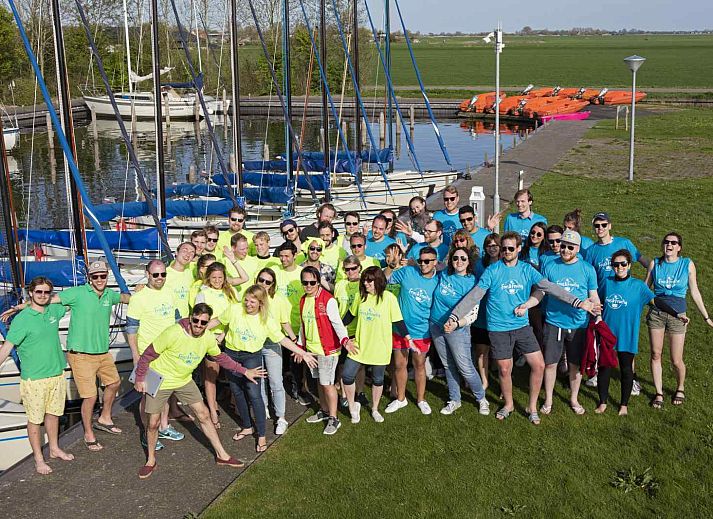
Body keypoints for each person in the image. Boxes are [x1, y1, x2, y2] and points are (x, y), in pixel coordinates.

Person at [445, 231, 597, 425]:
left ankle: (532, 407)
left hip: (522, 326)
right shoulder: (493, 270)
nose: (507, 251)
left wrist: (578, 302)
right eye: (504, 248)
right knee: (504, 369)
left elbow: (550, 287)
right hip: (498, 328)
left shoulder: (527, 269)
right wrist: (455, 316)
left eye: (511, 248)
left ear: (518, 249)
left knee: (539, 365)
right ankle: (508, 405)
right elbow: (475, 295)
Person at [133, 303, 266, 478]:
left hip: (184, 380)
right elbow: (148, 355)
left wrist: (244, 371)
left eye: (203, 322)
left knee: (203, 414)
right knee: (152, 423)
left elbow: (221, 358)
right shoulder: (173, 332)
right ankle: (151, 461)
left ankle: (222, 455)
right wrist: (140, 378)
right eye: (195, 320)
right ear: (190, 318)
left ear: (208, 323)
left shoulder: (208, 338)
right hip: (161, 380)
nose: (198, 325)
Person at [208, 285, 315, 451]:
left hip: (251, 357)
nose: (248, 304)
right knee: (237, 391)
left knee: (254, 393)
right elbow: (217, 321)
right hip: (231, 354)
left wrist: (303, 353)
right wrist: (197, 327)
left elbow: (282, 339)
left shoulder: (267, 320)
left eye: (253, 301)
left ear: (261, 303)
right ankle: (247, 426)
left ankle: (262, 435)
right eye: (246, 300)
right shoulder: (235, 309)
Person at [0, 277, 74, 475]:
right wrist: (19, 310)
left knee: (54, 414)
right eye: (38, 292)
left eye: (46, 292)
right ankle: (39, 459)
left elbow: (72, 298)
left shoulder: (53, 310)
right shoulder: (22, 320)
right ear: (31, 293)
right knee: (34, 420)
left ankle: (54, 448)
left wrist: (17, 306)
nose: (42, 295)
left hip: (56, 373)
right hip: (35, 379)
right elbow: (6, 348)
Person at [595, 250, 683, 416]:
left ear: (629, 265)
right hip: (607, 335)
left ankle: (623, 405)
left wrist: (676, 314)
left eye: (623, 264)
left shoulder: (638, 287)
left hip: (627, 334)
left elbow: (656, 302)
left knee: (626, 370)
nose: (619, 267)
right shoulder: (606, 283)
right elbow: (596, 300)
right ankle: (603, 402)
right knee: (604, 368)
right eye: (615, 264)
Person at [646, 232, 713, 408]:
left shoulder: (687, 264)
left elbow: (695, 291)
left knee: (676, 359)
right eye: (666, 242)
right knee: (655, 354)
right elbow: (644, 290)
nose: (669, 245)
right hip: (656, 314)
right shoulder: (655, 264)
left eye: (673, 243)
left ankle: (680, 387)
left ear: (679, 247)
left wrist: (706, 316)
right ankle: (659, 393)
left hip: (679, 316)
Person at [538, 231, 599, 415]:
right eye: (563, 245)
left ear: (578, 249)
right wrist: (529, 303)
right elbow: (541, 291)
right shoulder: (550, 266)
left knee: (575, 364)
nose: (565, 249)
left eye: (570, 247)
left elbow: (593, 295)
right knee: (550, 363)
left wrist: (597, 313)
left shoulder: (587, 269)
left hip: (578, 324)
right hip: (554, 322)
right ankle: (548, 400)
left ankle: (574, 398)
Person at [127, 260, 182, 449]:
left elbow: (177, 320)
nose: (160, 278)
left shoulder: (170, 292)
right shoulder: (138, 298)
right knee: (148, 396)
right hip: (148, 355)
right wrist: (136, 355)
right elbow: (131, 329)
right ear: (147, 274)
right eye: (155, 274)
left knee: (165, 393)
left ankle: (164, 426)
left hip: (169, 353)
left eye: (163, 274)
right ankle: (147, 432)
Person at [343, 267, 407, 423]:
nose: (366, 283)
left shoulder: (389, 298)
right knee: (347, 375)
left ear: (378, 280)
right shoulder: (360, 296)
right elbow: (348, 318)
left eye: (369, 280)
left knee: (378, 380)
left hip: (380, 348)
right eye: (364, 280)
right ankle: (353, 407)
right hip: (359, 346)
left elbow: (398, 321)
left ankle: (375, 409)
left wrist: (409, 339)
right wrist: (339, 333)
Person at [431, 247, 489, 416]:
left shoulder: (472, 282)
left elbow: (473, 314)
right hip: (436, 325)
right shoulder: (444, 274)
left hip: (457, 329)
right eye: (455, 258)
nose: (459, 261)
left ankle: (481, 398)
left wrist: (456, 324)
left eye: (463, 258)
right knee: (448, 365)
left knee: (465, 367)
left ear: (469, 261)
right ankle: (455, 400)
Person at [300, 267, 355, 434]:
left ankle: (334, 418)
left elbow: (337, 323)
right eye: (305, 282)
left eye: (312, 282)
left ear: (318, 281)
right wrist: (300, 347)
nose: (308, 286)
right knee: (319, 381)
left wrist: (345, 341)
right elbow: (303, 325)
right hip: (312, 351)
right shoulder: (303, 299)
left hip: (327, 351)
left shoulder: (328, 300)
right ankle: (324, 411)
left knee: (327, 384)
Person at [385, 247, 439, 415]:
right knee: (399, 365)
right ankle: (401, 399)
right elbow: (386, 280)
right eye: (420, 261)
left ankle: (421, 399)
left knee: (419, 365)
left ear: (435, 262)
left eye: (427, 261)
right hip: (399, 328)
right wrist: (391, 266)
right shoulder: (408, 271)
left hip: (421, 331)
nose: (423, 264)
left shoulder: (438, 281)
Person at [255, 267, 299, 435]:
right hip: (254, 345)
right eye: (261, 280)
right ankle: (263, 408)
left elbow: (284, 323)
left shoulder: (278, 300)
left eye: (268, 282)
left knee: (275, 381)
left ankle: (281, 417)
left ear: (272, 284)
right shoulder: (251, 297)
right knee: (259, 380)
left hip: (273, 344)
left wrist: (294, 341)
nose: (264, 284)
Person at [194, 262, 238, 428]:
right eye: (214, 277)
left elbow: (235, 315)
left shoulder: (231, 291)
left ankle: (236, 405)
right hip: (211, 338)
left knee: (233, 373)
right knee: (211, 374)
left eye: (220, 277)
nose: (217, 280)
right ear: (208, 277)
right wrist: (216, 334)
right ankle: (213, 410)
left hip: (230, 337)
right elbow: (200, 321)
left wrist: (224, 334)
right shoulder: (203, 294)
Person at [471, 233, 501, 390]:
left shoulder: (505, 264)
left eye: (495, 245)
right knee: (481, 350)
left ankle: (503, 383)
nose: (492, 248)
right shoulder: (479, 265)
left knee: (501, 353)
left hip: (499, 314)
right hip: (482, 312)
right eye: (489, 246)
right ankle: (484, 380)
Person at [584, 212, 649, 283]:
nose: (600, 228)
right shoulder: (590, 251)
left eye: (604, 225)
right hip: (602, 289)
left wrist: (647, 283)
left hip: (624, 288)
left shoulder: (624, 243)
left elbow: (644, 261)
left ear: (609, 226)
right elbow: (587, 275)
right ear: (593, 228)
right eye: (597, 225)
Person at [165, 242, 197, 318]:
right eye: (185, 250)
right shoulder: (164, 273)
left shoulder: (190, 273)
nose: (188, 254)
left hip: (185, 319)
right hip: (168, 318)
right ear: (176, 252)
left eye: (192, 253)